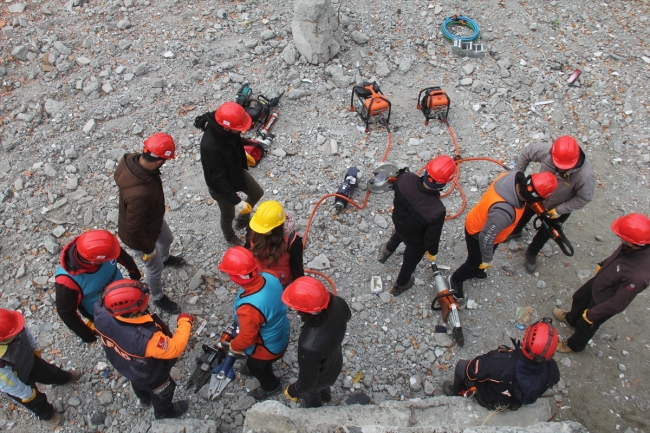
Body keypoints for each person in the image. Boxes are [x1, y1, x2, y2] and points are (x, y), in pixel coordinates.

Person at [449, 171, 557, 300]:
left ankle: (477, 270)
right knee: (474, 263)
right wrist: (487, 259)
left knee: (479, 262)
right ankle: (456, 279)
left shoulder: (510, 178)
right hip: (477, 234)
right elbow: (486, 238)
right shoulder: (504, 212)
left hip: (478, 219)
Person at [93, 280, 192, 419]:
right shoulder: (146, 339)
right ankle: (165, 413)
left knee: (136, 381)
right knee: (164, 390)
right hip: (150, 373)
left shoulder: (100, 310)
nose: (148, 298)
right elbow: (174, 348)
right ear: (134, 311)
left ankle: (144, 400)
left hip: (123, 364)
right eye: (144, 299)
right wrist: (185, 322)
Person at [553, 213, 650, 353]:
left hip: (604, 301)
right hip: (600, 282)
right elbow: (618, 257)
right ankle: (571, 318)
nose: (619, 238)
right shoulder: (635, 244)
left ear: (631, 242)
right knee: (578, 298)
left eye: (620, 236)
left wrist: (593, 314)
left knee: (586, 326)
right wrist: (604, 264)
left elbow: (618, 304)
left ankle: (574, 345)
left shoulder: (638, 276)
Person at [114, 132, 186, 315]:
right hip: (139, 236)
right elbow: (134, 229)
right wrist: (149, 249)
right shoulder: (140, 194)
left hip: (152, 219)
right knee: (154, 268)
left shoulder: (132, 161)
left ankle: (165, 257)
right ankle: (157, 296)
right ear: (158, 160)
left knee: (167, 239)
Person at [512, 136, 595, 272]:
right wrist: (516, 176)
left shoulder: (585, 176)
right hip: (537, 195)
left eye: (563, 168)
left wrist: (560, 210)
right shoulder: (548, 152)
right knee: (524, 212)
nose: (559, 170)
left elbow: (584, 198)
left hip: (557, 207)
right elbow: (527, 153)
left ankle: (532, 252)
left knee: (546, 232)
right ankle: (515, 231)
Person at [377, 156, 456, 296]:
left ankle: (386, 251)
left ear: (426, 170)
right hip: (416, 241)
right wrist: (432, 252)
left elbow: (396, 183)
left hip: (400, 222)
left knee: (398, 234)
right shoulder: (437, 210)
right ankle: (401, 284)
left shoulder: (405, 179)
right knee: (409, 262)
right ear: (444, 184)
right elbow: (432, 237)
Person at [218, 246, 289, 400]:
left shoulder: (248, 309)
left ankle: (271, 387)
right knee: (254, 364)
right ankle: (252, 367)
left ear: (235, 277)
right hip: (281, 331)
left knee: (259, 368)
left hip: (267, 349)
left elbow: (247, 338)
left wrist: (234, 346)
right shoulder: (270, 276)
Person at [443, 318, 560, 410]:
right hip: (514, 402)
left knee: (461, 366)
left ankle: (457, 395)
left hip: (489, 398)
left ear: (525, 340)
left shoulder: (498, 363)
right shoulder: (553, 372)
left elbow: (471, 370)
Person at [55, 229, 142, 343]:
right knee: (120, 336)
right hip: (105, 314)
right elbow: (66, 313)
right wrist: (87, 335)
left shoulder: (103, 247)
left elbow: (122, 256)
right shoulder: (67, 282)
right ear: (94, 262)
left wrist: (135, 275)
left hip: (125, 296)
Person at [196, 102, 264, 246]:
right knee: (228, 214)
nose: (242, 131)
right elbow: (218, 179)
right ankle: (229, 235)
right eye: (239, 129)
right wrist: (237, 202)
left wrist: (242, 155)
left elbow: (235, 141)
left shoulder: (227, 126)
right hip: (220, 186)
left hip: (235, 171)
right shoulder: (210, 147)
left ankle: (242, 220)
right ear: (226, 128)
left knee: (257, 192)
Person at [0, 309, 81, 426]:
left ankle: (65, 377)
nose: (18, 330)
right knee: (35, 401)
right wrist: (26, 393)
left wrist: (34, 347)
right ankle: (48, 415)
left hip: (30, 361)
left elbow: (26, 333)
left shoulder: (13, 326)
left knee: (51, 372)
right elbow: (8, 383)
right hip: (18, 381)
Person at [281, 277, 351, 408]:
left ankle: (316, 410)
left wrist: (292, 391)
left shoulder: (309, 345)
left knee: (311, 394)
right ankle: (326, 396)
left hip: (319, 379)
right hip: (335, 363)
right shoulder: (339, 304)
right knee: (325, 386)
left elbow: (307, 382)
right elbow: (347, 316)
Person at [246, 200, 304, 287]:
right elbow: (247, 248)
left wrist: (298, 288)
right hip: (258, 274)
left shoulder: (293, 241)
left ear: (276, 228)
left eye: (263, 229)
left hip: (280, 281)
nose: (258, 231)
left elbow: (297, 268)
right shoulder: (256, 226)